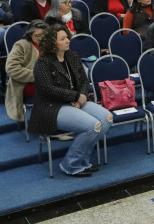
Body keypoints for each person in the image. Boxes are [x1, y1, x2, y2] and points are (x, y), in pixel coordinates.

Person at [28, 24, 111, 177]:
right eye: (63, 39)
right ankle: (71, 165)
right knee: (92, 126)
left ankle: (84, 160)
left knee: (107, 118)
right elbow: (48, 89)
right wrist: (75, 96)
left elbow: (84, 80)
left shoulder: (72, 56)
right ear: (53, 43)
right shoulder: (43, 63)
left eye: (67, 37)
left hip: (76, 101)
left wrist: (82, 97)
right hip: (52, 107)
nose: (68, 40)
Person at [5, 20, 46, 123]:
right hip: (26, 84)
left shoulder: (49, 45)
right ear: (30, 35)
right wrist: (37, 75)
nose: (41, 38)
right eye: (37, 35)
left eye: (44, 35)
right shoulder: (21, 45)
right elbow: (11, 68)